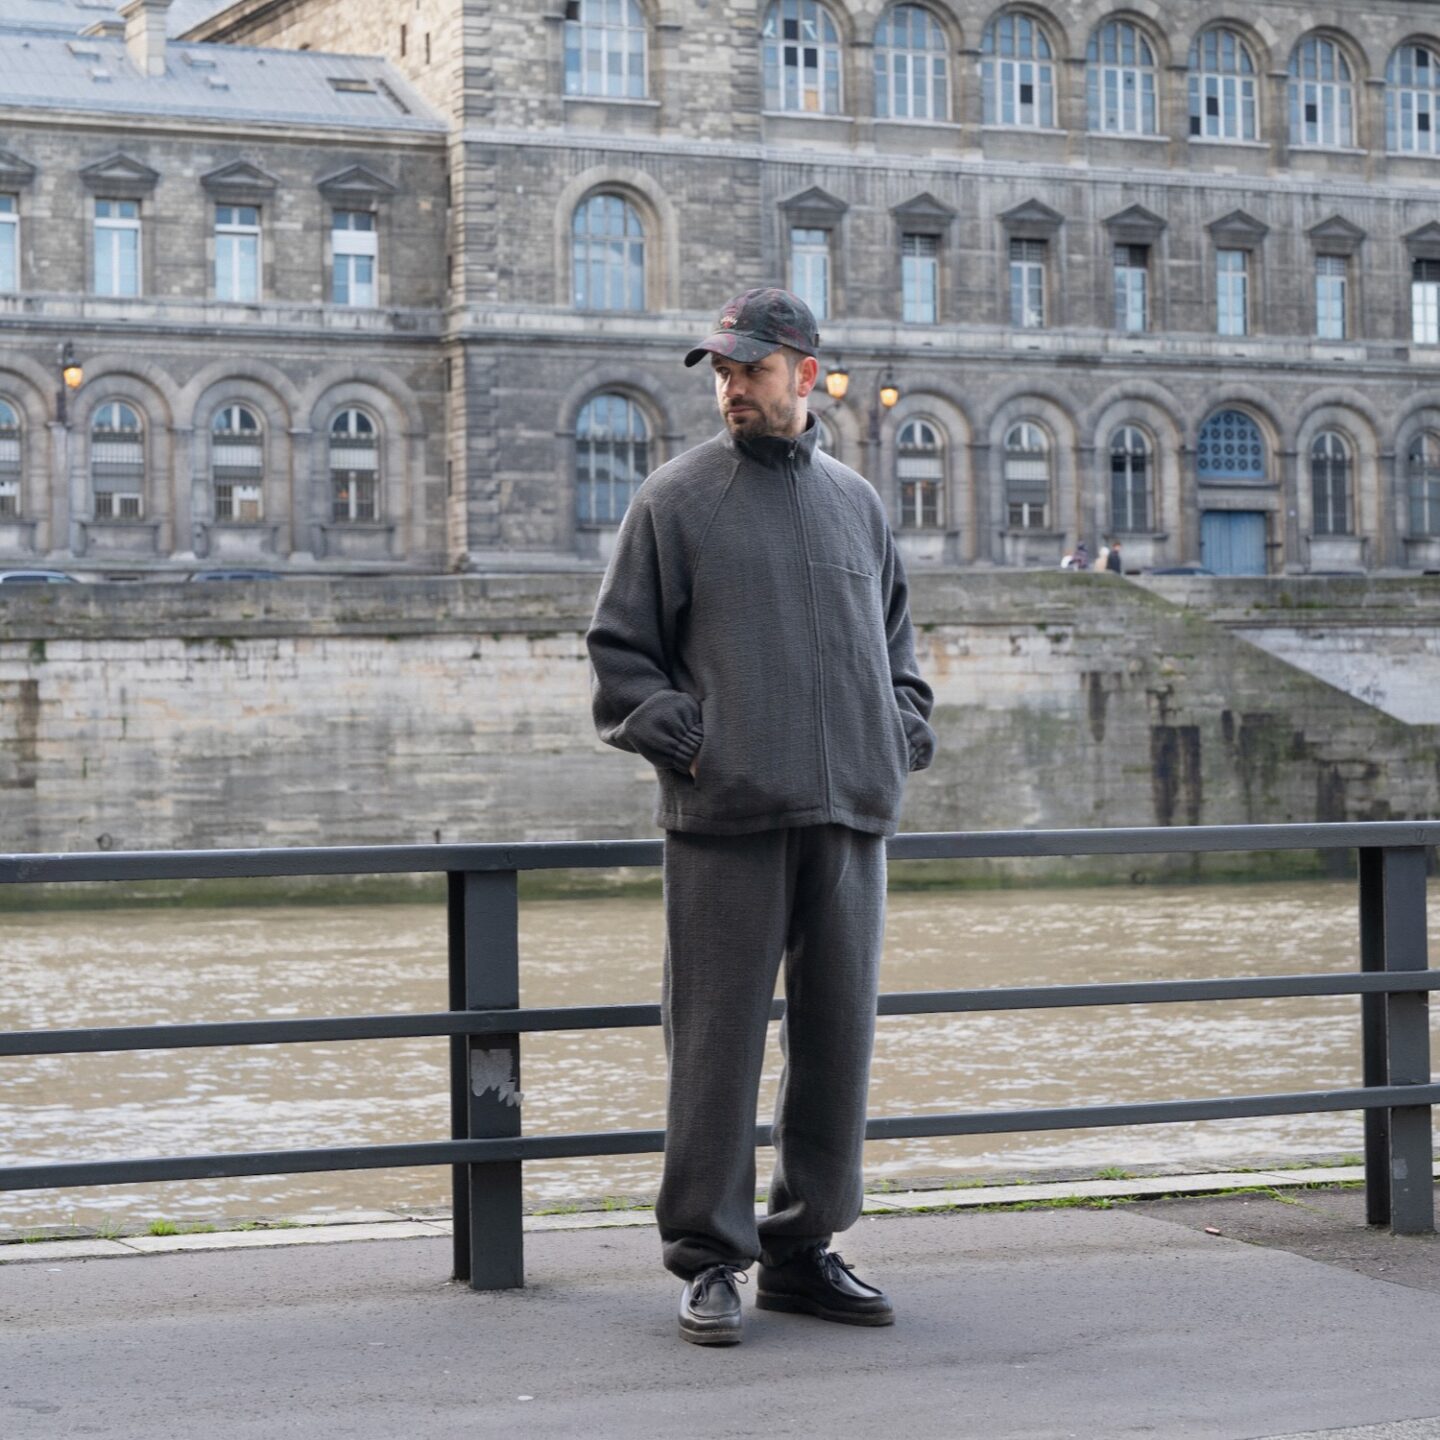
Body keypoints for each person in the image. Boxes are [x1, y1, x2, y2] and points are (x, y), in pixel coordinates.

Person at [586, 287, 936, 1347]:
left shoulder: (858, 505)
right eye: (722, 370)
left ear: (806, 374)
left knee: (838, 1048)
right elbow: (620, 656)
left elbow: (902, 662)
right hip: (725, 819)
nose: (731, 386)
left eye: (749, 368)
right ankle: (709, 1258)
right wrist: (686, 739)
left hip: (849, 819)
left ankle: (806, 1249)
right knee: (715, 1049)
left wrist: (897, 736)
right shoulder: (675, 498)